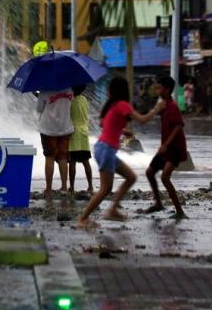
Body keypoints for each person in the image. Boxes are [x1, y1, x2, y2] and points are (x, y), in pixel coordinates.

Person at [77, 77, 165, 227]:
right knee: (105, 189)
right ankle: (83, 219)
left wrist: (122, 130)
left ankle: (113, 210)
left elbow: (103, 124)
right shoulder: (123, 105)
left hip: (103, 148)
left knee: (130, 177)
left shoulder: (111, 105)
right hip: (106, 150)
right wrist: (157, 109)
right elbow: (142, 120)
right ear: (125, 90)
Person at [143, 76, 187, 219]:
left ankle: (179, 211)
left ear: (167, 90)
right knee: (150, 172)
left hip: (174, 149)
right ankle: (158, 203)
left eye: (160, 87)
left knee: (165, 177)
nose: (157, 90)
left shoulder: (172, 106)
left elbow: (179, 126)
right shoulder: (163, 105)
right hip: (165, 148)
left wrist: (166, 144)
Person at [38, 88, 74, 197]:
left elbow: (39, 109)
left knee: (50, 157)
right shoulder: (69, 90)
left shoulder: (45, 90)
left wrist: (39, 97)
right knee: (63, 157)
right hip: (65, 127)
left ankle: (48, 189)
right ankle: (64, 187)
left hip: (48, 129)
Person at [68, 85, 93, 194]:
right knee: (85, 161)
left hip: (74, 132)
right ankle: (90, 186)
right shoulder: (84, 100)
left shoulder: (71, 101)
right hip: (84, 132)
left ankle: (72, 187)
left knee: (72, 161)